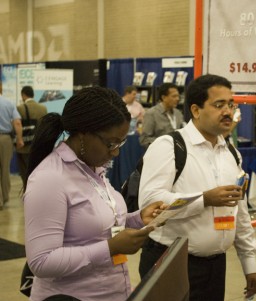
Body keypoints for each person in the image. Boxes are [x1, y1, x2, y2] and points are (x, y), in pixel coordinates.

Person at [24, 87, 165, 301]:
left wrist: (136, 219)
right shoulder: (50, 178)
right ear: (83, 134)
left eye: (120, 142)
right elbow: (42, 261)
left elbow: (96, 227)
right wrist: (110, 248)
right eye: (111, 143)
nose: (116, 151)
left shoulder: (92, 167)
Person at [138, 74, 256, 301]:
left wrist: (249, 263)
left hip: (215, 267)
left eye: (230, 104)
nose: (228, 111)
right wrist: (204, 199)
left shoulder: (231, 153)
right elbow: (150, 206)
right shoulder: (169, 146)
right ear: (195, 110)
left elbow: (239, 212)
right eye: (219, 105)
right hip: (170, 263)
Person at [16, 85, 47, 187]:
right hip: (38, 145)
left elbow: (17, 125)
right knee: (37, 169)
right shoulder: (43, 108)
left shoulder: (20, 108)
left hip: (24, 146)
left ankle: (27, 189)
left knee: (24, 170)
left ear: (23, 95)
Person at [139, 83, 184, 148]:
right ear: (164, 97)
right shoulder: (151, 114)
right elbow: (144, 139)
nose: (177, 99)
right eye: (174, 96)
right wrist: (164, 143)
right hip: (160, 153)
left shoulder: (178, 113)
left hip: (177, 153)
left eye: (178, 96)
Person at [0, 94, 23, 210]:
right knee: (4, 169)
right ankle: (3, 198)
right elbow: (17, 123)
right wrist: (19, 139)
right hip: (5, 139)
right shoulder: (8, 103)